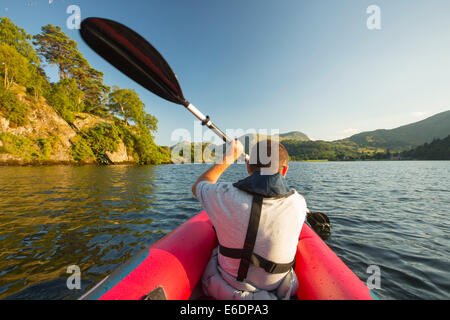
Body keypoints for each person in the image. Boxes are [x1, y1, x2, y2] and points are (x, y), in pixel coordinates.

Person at [192, 139, 308, 300]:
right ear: (284, 171)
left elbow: (198, 186)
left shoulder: (223, 194)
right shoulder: (299, 203)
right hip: (278, 289)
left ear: (248, 167)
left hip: (227, 288)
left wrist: (229, 157)